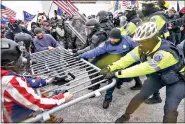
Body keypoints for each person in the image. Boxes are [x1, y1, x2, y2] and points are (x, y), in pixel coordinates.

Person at [100, 22, 185, 123]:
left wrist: (117, 73)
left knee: (170, 109)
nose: (139, 44)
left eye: (142, 41)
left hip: (178, 79)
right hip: (159, 75)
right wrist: (110, 68)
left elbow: (144, 68)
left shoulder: (166, 53)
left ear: (153, 39)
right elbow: (127, 59)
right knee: (140, 96)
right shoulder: (143, 47)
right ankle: (126, 116)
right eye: (139, 41)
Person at [1, 38, 73, 122]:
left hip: (13, 114)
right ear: (9, 64)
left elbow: (26, 81)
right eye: (17, 60)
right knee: (40, 109)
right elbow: (36, 103)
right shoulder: (10, 81)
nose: (21, 61)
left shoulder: (5, 75)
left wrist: (47, 81)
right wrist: (62, 98)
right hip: (19, 118)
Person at [79, 28, 142, 108]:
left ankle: (111, 94)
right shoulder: (106, 43)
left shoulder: (128, 40)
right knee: (106, 74)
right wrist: (81, 55)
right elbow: (95, 51)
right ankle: (102, 92)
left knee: (118, 78)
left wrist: (137, 60)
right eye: (111, 38)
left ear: (120, 38)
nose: (112, 40)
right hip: (111, 60)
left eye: (115, 39)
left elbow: (139, 48)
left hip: (125, 60)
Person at [138, 0, 171, 104]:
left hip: (154, 48)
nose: (143, 9)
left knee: (152, 72)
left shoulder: (156, 17)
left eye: (145, 6)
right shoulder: (154, 16)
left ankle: (156, 96)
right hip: (152, 47)